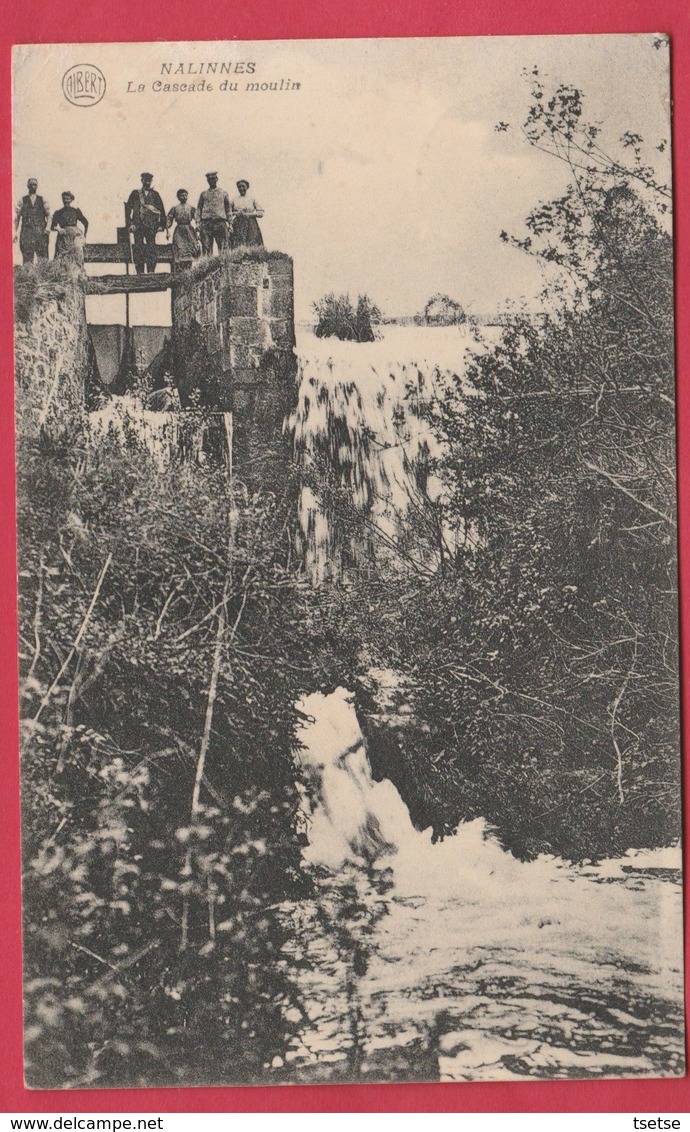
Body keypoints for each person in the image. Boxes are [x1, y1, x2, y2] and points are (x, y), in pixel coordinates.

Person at [125, 172, 166, 274]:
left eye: (149, 180)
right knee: (138, 247)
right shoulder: (135, 193)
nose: (147, 181)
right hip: (138, 226)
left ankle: (151, 271)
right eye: (145, 179)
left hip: (151, 226)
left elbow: (161, 210)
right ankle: (140, 272)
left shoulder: (155, 195)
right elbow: (128, 210)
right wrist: (130, 224)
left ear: (151, 181)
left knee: (151, 248)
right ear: (142, 180)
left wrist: (162, 225)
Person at [14, 178, 50, 264]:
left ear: (37, 186)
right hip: (27, 232)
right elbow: (17, 217)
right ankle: (28, 276)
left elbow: (49, 215)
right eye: (31, 184)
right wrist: (14, 232)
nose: (33, 186)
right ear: (28, 186)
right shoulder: (22, 200)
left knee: (43, 257)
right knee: (27, 257)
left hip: (40, 232)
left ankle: (43, 276)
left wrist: (47, 228)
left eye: (35, 184)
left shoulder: (42, 199)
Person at [197, 172, 231, 255]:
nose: (212, 181)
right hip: (206, 223)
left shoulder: (223, 193)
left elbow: (228, 209)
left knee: (223, 247)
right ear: (207, 181)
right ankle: (207, 266)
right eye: (209, 179)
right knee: (206, 247)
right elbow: (199, 209)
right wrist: (197, 223)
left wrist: (230, 223)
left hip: (220, 222)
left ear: (217, 179)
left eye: (213, 179)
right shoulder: (203, 194)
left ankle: (224, 266)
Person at [51, 191, 89, 265]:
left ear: (71, 200)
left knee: (77, 253)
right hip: (63, 237)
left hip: (74, 236)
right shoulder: (58, 213)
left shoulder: (75, 211)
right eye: (64, 199)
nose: (66, 201)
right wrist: (58, 229)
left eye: (68, 199)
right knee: (61, 258)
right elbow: (52, 226)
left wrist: (84, 235)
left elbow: (86, 223)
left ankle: (77, 273)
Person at [166, 189, 199, 271]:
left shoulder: (191, 208)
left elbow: (197, 218)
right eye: (182, 195)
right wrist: (167, 231)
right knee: (179, 249)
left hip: (189, 231)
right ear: (178, 197)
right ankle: (179, 271)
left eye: (185, 195)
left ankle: (188, 270)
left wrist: (198, 228)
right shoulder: (175, 208)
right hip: (179, 231)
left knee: (190, 249)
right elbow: (168, 219)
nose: (184, 197)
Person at [230, 179, 264, 247]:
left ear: (247, 187)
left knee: (252, 242)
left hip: (251, 224)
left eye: (243, 186)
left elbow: (261, 213)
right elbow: (229, 212)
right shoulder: (234, 199)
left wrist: (248, 214)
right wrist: (236, 213)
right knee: (238, 243)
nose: (241, 188)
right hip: (238, 224)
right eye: (239, 187)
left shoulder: (252, 198)